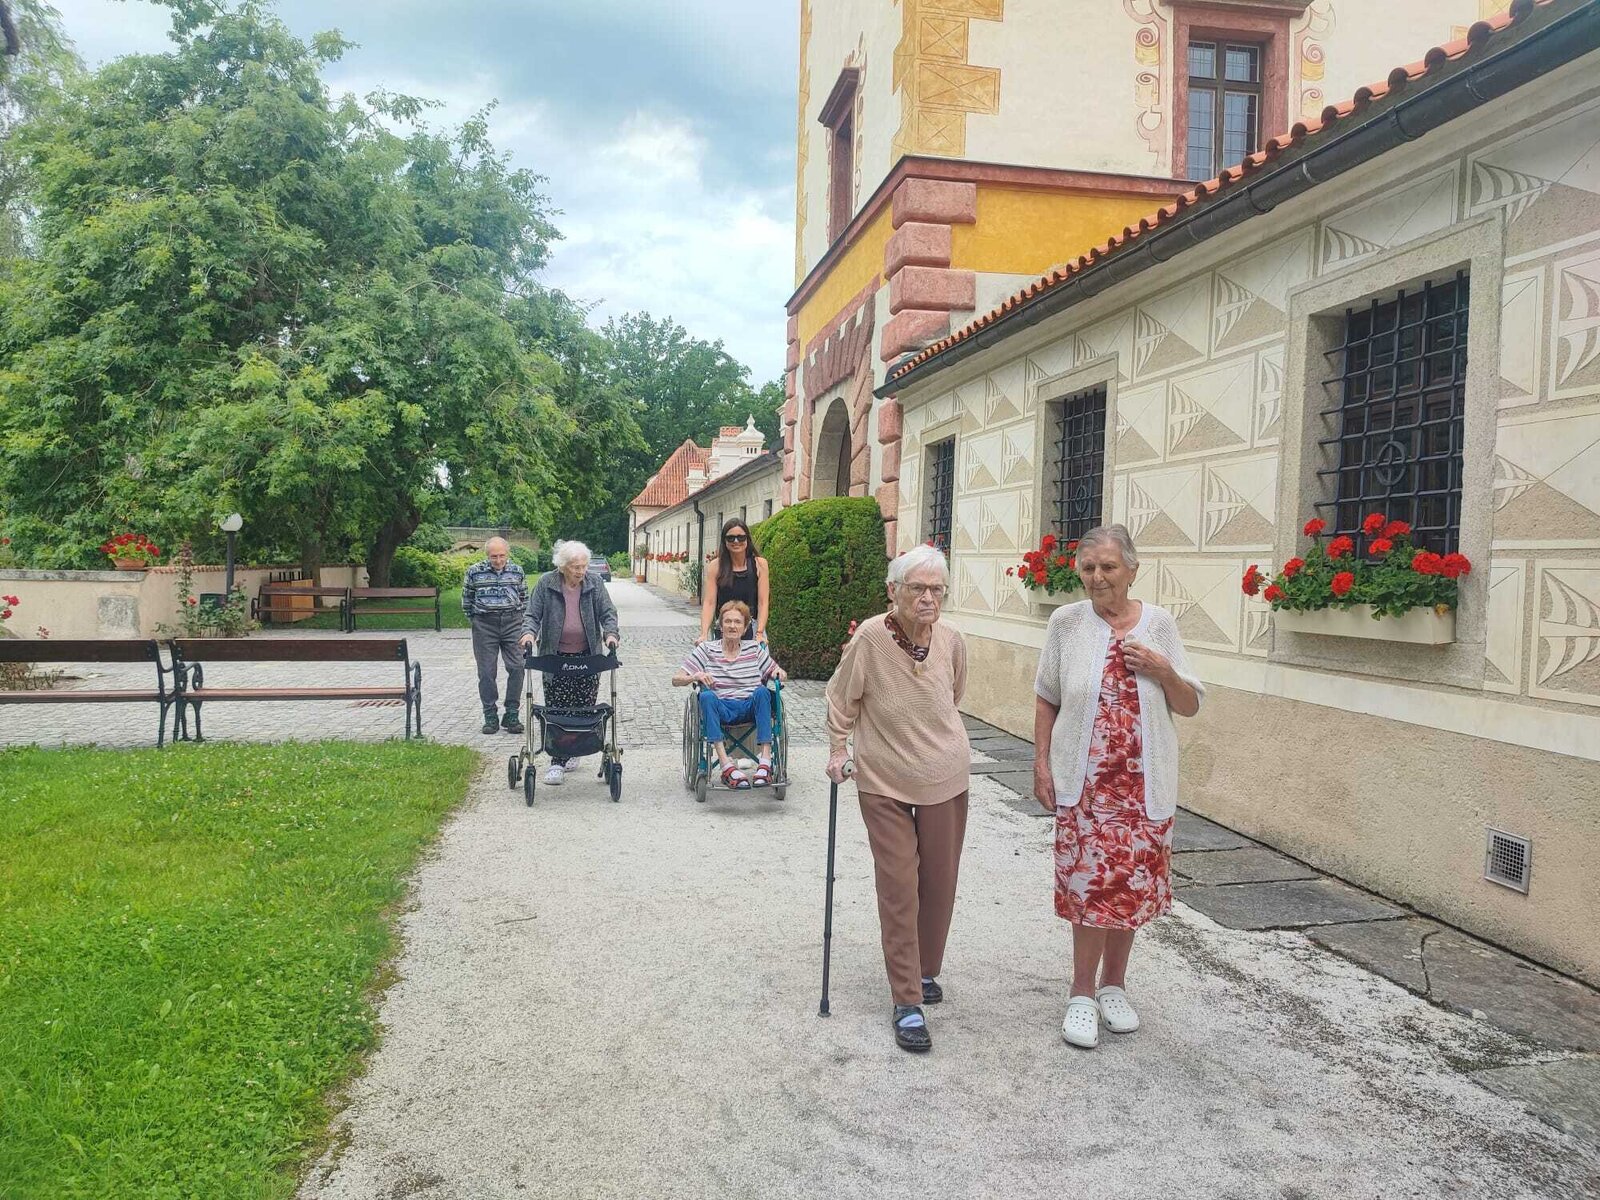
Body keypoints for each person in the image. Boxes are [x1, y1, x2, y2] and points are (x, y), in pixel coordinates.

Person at [1032, 524, 1203, 1050]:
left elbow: (1189, 704)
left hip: (1142, 787)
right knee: (1089, 888)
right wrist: (1041, 765)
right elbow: (1046, 696)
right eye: (1088, 568)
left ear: (1131, 569)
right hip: (1086, 787)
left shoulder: (1160, 625)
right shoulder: (1066, 623)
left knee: (1130, 889)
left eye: (1108, 566)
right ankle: (1081, 994)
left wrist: (1163, 670)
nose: (1098, 576)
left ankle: (1114, 987)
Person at [825, 544, 969, 1054]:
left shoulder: (952, 640)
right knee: (899, 883)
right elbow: (841, 697)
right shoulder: (869, 638)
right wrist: (838, 748)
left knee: (940, 882)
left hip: (945, 775)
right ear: (894, 591)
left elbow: (953, 696)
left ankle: (926, 969)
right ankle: (906, 998)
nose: (929, 598)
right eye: (918, 588)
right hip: (883, 778)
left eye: (937, 589)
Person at [519, 540, 620, 787]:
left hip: (588, 655)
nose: (581, 571)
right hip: (555, 657)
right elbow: (532, 614)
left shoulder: (594, 583)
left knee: (583, 708)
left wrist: (610, 634)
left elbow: (608, 612)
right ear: (563, 566)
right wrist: (528, 634)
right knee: (557, 709)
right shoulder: (546, 583)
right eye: (576, 567)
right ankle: (557, 761)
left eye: (584, 566)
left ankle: (575, 749)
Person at [672, 600, 786, 788]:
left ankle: (765, 763)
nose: (732, 626)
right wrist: (695, 676)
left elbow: (778, 673)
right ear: (720, 625)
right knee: (706, 696)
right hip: (721, 708)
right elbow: (676, 679)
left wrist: (779, 673)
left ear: (745, 627)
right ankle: (726, 765)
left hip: (750, 707)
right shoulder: (707, 649)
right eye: (728, 621)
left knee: (763, 692)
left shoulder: (754, 649)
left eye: (738, 622)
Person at [462, 536, 528, 736]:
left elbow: (524, 598)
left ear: (507, 554)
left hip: (512, 622)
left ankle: (511, 713)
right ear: (487, 555)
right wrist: (476, 620)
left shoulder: (517, 571)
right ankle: (490, 714)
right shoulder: (474, 571)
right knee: (486, 672)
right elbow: (467, 599)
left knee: (517, 667)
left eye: (501, 556)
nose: (498, 560)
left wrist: (522, 622)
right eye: (493, 556)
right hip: (484, 624)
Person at [699, 518, 769, 644]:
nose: (736, 541)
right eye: (730, 538)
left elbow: (763, 602)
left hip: (752, 627)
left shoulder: (760, 564)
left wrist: (759, 633)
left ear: (747, 539)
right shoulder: (716, 566)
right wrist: (704, 634)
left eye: (741, 537)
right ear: (724, 541)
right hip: (725, 627)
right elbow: (709, 602)